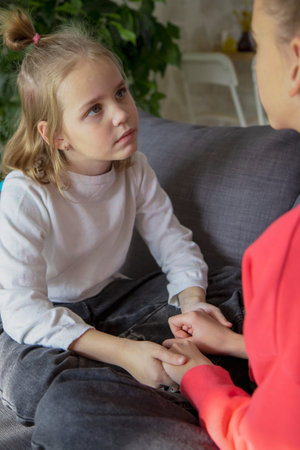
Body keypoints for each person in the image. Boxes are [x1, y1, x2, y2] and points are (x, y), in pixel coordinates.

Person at [0, 7, 231, 446]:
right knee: (31, 383)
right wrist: (122, 350)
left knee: (231, 289)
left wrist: (192, 303)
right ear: (56, 136)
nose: (121, 114)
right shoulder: (24, 194)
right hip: (43, 315)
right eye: (94, 110)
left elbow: (174, 245)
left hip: (110, 300)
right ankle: (142, 365)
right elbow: (23, 311)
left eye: (121, 93)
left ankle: (149, 368)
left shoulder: (134, 169)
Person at [162, 0, 300, 448]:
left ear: (295, 62)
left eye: (257, 46)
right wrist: (235, 343)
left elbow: (263, 439)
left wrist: (202, 377)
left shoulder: (283, 252)